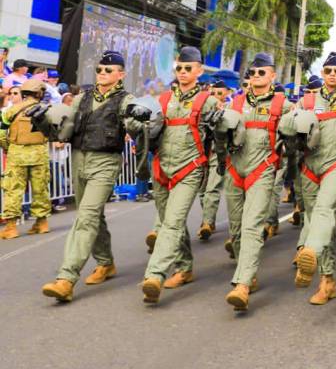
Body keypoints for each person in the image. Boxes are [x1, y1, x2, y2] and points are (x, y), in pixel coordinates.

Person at [41, 51, 144, 303]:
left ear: (120, 74)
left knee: (86, 217)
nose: (102, 74)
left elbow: (134, 126)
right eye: (99, 70)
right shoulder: (82, 98)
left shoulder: (125, 99)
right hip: (78, 159)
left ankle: (66, 278)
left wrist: (137, 121)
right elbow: (64, 132)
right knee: (91, 215)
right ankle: (106, 263)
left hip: (105, 162)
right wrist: (46, 123)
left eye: (108, 70)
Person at [215, 52, 293, 311]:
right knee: (236, 229)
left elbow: (299, 133)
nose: (256, 76)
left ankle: (243, 285)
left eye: (262, 72)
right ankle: (247, 271)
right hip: (234, 170)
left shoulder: (284, 105)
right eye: (253, 72)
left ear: (272, 75)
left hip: (263, 171)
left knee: (251, 226)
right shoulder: (234, 104)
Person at [140, 46, 219, 304]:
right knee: (170, 219)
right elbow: (148, 130)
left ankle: (155, 275)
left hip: (191, 166)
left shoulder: (208, 101)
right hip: (162, 166)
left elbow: (221, 135)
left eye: (188, 68)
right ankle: (185, 267)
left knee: (171, 223)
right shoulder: (162, 98)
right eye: (180, 68)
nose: (183, 72)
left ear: (199, 70)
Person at [290, 52, 336, 305]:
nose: (332, 74)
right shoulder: (306, 101)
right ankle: (327, 280)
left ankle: (308, 250)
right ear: (322, 73)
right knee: (316, 219)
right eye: (328, 70)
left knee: (324, 209)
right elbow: (288, 128)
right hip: (310, 165)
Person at [1, 79, 52, 239]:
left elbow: (2, 134)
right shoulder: (47, 110)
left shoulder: (11, 111)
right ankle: (41, 223)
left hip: (17, 155)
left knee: (13, 190)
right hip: (40, 154)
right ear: (39, 93)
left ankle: (11, 227)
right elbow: (54, 132)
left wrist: (8, 148)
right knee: (40, 188)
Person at [198, 79, 230, 241]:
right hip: (203, 152)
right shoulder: (204, 107)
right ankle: (209, 219)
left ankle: (207, 222)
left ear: (226, 93)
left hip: (219, 153)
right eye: (213, 93)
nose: (216, 96)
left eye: (220, 93)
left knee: (212, 188)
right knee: (202, 191)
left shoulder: (231, 108)